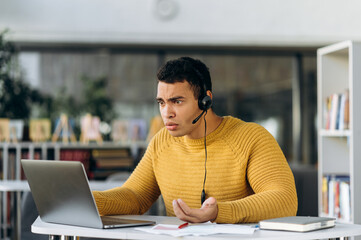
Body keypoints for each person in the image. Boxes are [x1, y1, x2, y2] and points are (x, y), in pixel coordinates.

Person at [93, 57, 298, 224]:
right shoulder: (161, 141)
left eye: (177, 101)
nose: (167, 113)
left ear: (205, 100)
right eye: (161, 103)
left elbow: (284, 200)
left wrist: (219, 212)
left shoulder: (250, 137)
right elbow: (134, 196)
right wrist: (88, 200)